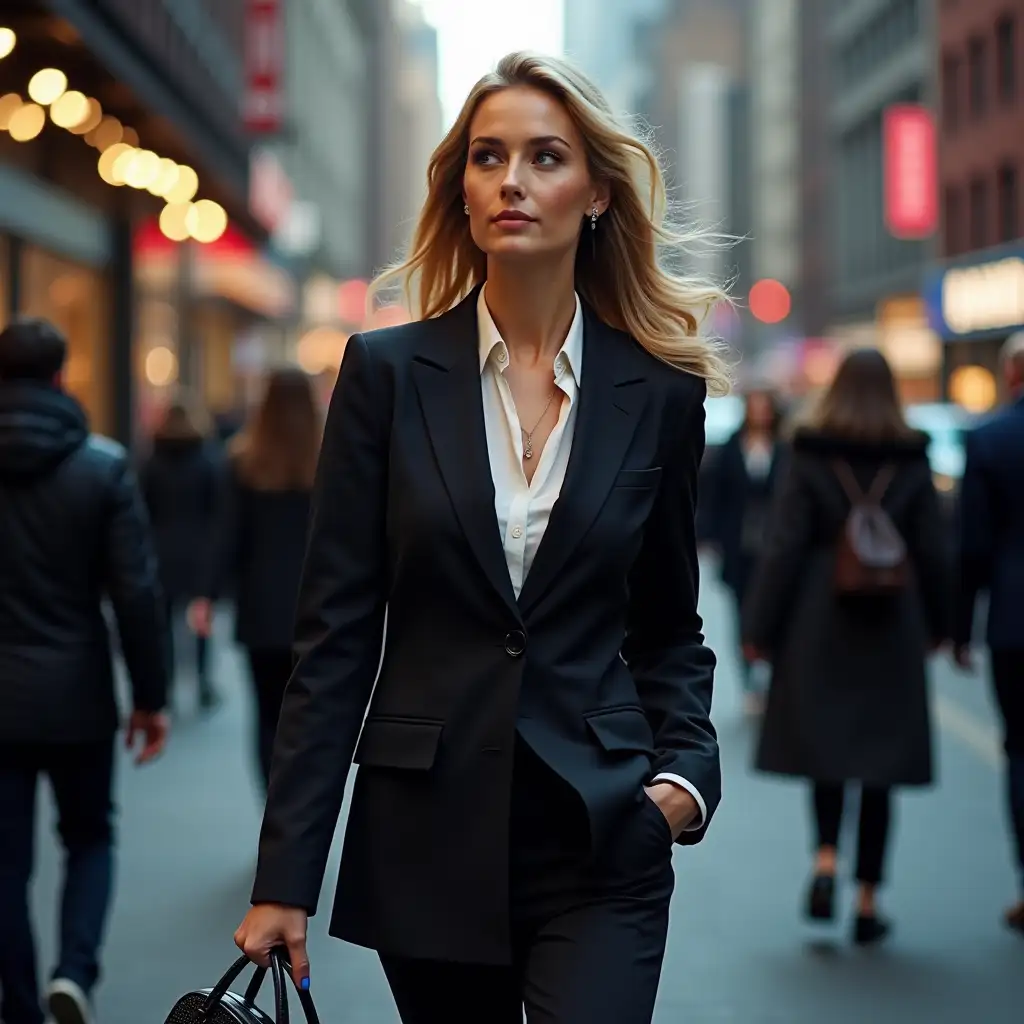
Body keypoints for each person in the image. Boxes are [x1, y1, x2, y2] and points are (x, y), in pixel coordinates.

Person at [234, 51, 726, 1023]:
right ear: (461, 192)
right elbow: (333, 641)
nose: (512, 180)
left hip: (600, 835)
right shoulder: (383, 375)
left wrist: (683, 779)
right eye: (487, 157)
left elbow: (667, 626)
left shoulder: (661, 395)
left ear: (593, 194)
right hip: (426, 836)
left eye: (545, 157)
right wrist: (284, 874)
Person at [742, 348, 951, 945]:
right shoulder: (912, 455)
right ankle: (867, 899)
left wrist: (760, 628)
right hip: (893, 623)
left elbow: (781, 548)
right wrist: (944, 626)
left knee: (827, 750)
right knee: (881, 764)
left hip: (817, 618)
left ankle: (826, 861)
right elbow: (934, 550)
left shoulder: (809, 451)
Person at [0, 318, 169, 1024]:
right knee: (90, 835)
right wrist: (151, 698)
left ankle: (18, 1003)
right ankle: (73, 972)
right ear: (62, 377)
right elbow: (135, 591)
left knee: (5, 862)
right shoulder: (100, 466)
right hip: (77, 691)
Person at [189, 367, 323, 793]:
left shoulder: (244, 461)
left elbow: (225, 535)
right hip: (320, 607)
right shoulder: (331, 459)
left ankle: (275, 811)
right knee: (312, 716)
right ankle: (302, 813)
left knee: (267, 713)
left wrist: (206, 595)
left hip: (261, 608)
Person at [954, 332, 1024, 935]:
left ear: (1011, 377)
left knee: (1021, 751)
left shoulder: (992, 439)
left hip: (1015, 623)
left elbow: (972, 546)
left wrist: (958, 629)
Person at [705, 386, 785, 714]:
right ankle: (750, 682)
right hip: (739, 546)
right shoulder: (730, 448)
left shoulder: (784, 448)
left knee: (776, 612)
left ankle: (775, 681)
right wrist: (710, 538)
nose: (760, 412)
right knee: (742, 614)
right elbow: (714, 495)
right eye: (755, 406)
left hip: (775, 547)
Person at [141, 393, 223, 710]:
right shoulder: (206, 458)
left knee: (164, 624)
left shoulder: (152, 461)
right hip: (198, 549)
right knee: (200, 620)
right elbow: (217, 509)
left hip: (160, 549)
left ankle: (168, 684)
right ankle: (202, 681)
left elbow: (142, 507)